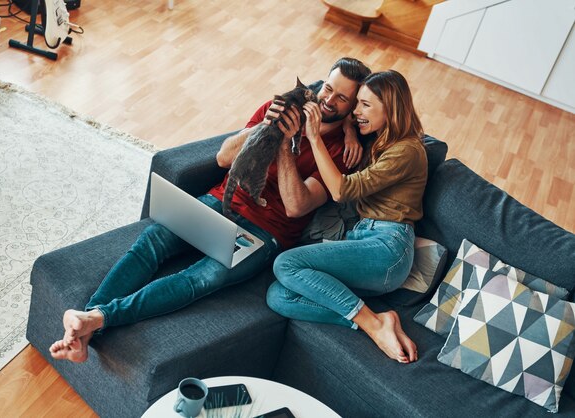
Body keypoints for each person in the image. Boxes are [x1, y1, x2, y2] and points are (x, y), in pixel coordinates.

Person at [49, 57, 371, 363]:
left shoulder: (343, 152)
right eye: (328, 88)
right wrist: (264, 128)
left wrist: (286, 145)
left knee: (201, 278)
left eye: (342, 98)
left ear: (353, 107)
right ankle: (85, 329)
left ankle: (96, 318)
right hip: (221, 203)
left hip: (264, 233)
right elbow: (223, 158)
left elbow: (297, 206)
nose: (329, 100)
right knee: (152, 241)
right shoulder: (282, 109)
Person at [267, 70, 428, 364]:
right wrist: (352, 130)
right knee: (279, 296)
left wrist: (314, 137)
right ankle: (373, 320)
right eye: (357, 104)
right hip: (363, 239)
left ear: (390, 109)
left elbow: (341, 190)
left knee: (286, 263)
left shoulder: (408, 151)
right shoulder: (379, 139)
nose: (356, 111)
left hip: (387, 248)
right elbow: (339, 112)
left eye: (365, 105)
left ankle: (374, 324)